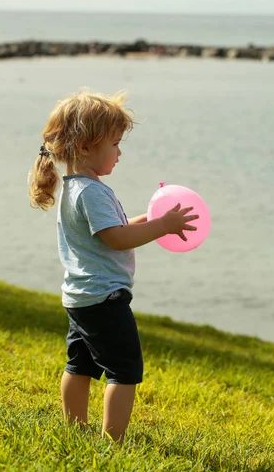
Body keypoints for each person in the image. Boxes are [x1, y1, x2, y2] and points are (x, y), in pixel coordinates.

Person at [28, 89, 198, 444]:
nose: (120, 153)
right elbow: (117, 239)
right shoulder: (91, 192)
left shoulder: (78, 188)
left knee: (80, 364)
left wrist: (151, 217)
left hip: (81, 297)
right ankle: (114, 442)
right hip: (105, 299)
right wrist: (163, 227)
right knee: (124, 371)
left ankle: (75, 429)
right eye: (116, 144)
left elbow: (113, 228)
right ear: (87, 146)